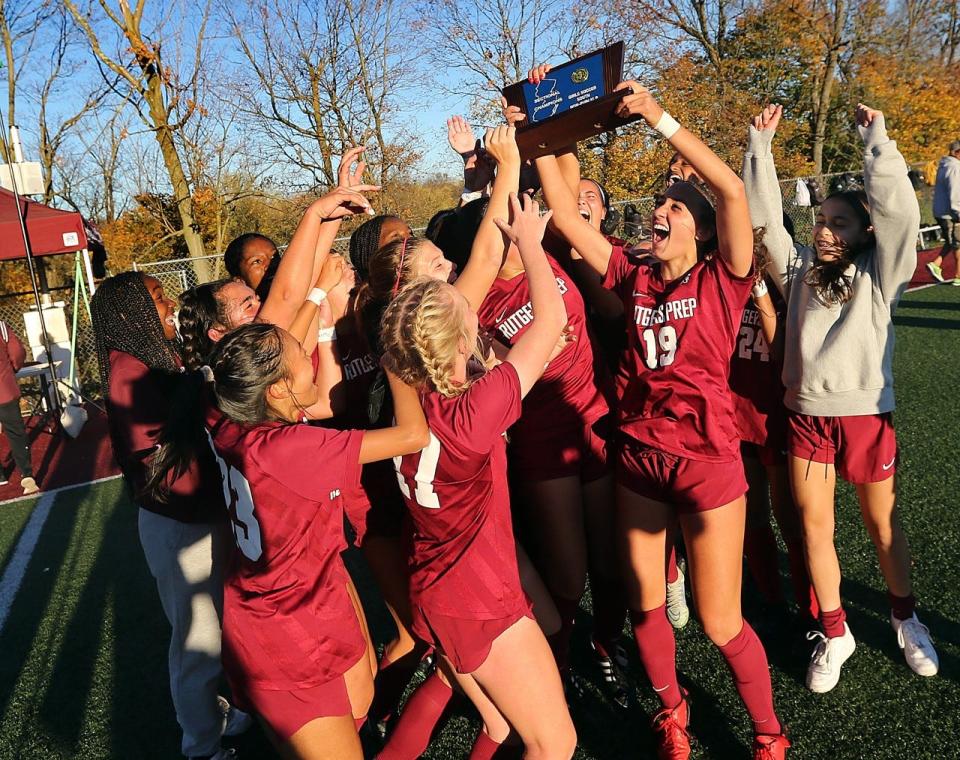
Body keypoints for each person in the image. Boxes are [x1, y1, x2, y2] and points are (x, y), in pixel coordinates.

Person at [537, 83, 790, 759]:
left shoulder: (724, 276)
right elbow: (563, 213)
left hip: (707, 461)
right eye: (659, 205)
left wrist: (657, 116)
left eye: (676, 208)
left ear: (702, 230)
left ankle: (768, 734)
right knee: (647, 604)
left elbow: (732, 190)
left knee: (718, 619)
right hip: (641, 459)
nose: (661, 212)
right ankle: (672, 713)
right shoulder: (632, 274)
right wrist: (543, 130)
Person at [148, 319, 428, 760]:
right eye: (303, 355)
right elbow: (414, 435)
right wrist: (397, 364)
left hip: (307, 593)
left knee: (358, 701)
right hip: (287, 627)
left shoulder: (227, 412)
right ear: (276, 389)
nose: (312, 361)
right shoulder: (291, 447)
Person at [743, 103, 940, 692]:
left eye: (842, 223)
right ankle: (836, 630)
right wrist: (759, 148)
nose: (827, 230)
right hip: (806, 415)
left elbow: (902, 212)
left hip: (864, 415)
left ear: (866, 234)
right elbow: (764, 224)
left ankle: (905, 618)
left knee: (883, 526)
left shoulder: (882, 274)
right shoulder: (799, 268)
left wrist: (876, 139)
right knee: (813, 528)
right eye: (823, 220)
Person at [380, 192, 576, 760]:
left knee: (498, 724)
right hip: (478, 596)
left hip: (437, 587)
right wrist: (532, 247)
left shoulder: (410, 391)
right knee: (554, 742)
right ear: (459, 343)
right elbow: (553, 318)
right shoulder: (471, 412)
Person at [91, 272, 250, 760]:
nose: (169, 306)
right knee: (197, 642)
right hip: (182, 524)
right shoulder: (130, 372)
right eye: (158, 298)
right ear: (131, 314)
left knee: (226, 627)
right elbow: (163, 467)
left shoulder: (152, 361)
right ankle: (201, 744)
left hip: (197, 515)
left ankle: (232, 710)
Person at [0, 320, 38, 495]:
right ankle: (26, 474)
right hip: (4, 388)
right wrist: (13, 368)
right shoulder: (1, 326)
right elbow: (16, 352)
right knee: (15, 432)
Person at [927, 139, 960, 284]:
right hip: (950, 212)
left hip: (943, 211)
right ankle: (958, 276)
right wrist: (958, 211)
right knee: (958, 242)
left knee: (952, 241)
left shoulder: (945, 165)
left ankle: (936, 264)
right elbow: (956, 191)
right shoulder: (954, 167)